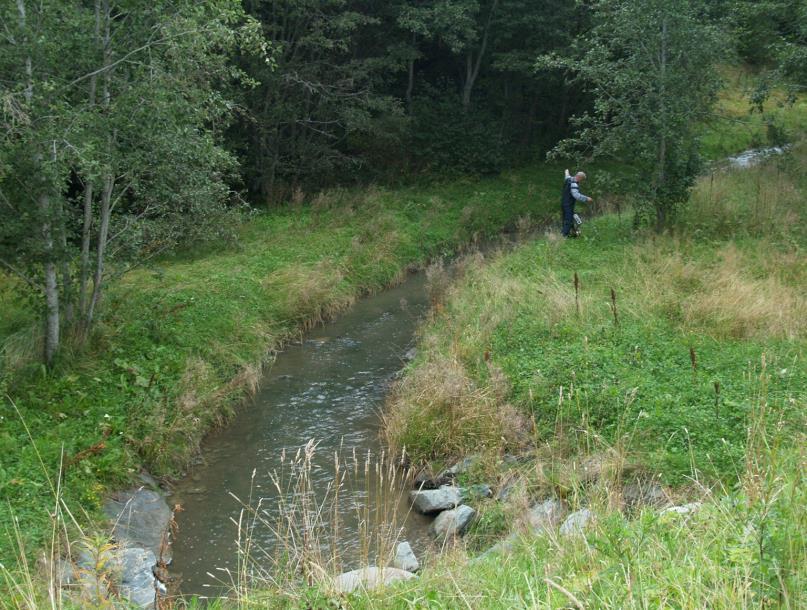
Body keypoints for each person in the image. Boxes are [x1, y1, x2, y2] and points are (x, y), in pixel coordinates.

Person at [561, 169, 593, 237]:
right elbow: (576, 195)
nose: (581, 181)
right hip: (568, 204)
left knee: (567, 219)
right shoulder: (574, 184)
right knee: (568, 220)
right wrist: (586, 198)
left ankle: (573, 233)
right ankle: (564, 236)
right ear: (579, 177)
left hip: (563, 203)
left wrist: (566, 171)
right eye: (582, 180)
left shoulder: (569, 179)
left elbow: (567, 175)